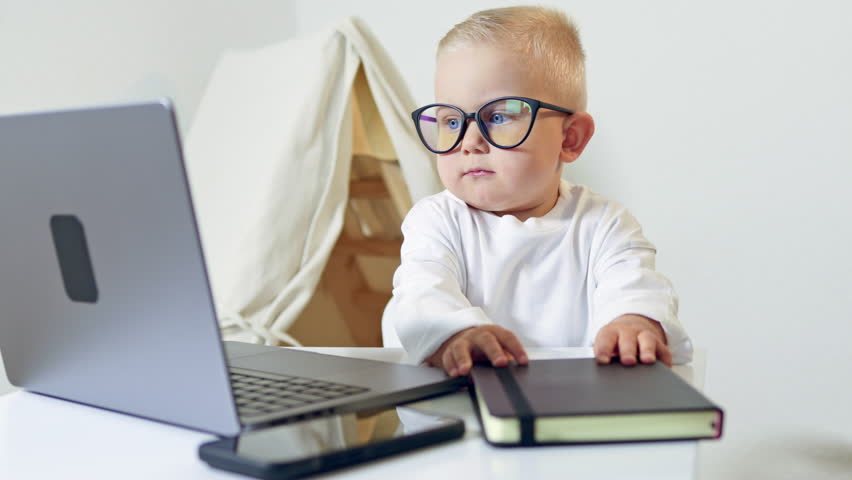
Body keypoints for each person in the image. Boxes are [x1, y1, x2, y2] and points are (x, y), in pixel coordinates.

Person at [382, 6, 692, 377]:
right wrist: (455, 335)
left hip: (573, 413)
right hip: (454, 407)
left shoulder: (604, 224)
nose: (469, 142)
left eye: (499, 116)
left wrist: (635, 322)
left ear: (570, 137)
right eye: (451, 120)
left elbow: (637, 286)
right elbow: (421, 296)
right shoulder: (436, 220)